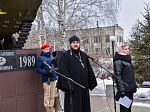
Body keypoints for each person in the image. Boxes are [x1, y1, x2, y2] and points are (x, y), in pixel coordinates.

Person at [57, 35, 97, 112]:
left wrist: (91, 82)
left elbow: (89, 69)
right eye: (73, 43)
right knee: (74, 107)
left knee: (85, 106)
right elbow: (63, 71)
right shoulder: (65, 55)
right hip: (73, 88)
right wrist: (69, 86)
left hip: (83, 85)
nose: (75, 44)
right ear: (70, 44)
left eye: (77, 42)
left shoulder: (83, 55)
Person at [114, 44, 138, 112]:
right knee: (124, 109)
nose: (128, 50)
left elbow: (131, 74)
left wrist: (134, 85)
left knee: (129, 107)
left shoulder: (128, 59)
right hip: (124, 89)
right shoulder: (118, 61)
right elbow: (118, 77)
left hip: (130, 87)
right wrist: (121, 90)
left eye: (128, 49)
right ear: (121, 50)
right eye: (125, 49)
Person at [36, 44, 57, 112]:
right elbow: (38, 69)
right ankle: (47, 110)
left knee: (52, 95)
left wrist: (56, 63)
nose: (48, 50)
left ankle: (51, 109)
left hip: (53, 79)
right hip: (46, 80)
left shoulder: (51, 57)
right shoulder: (41, 58)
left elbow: (56, 67)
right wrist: (46, 73)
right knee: (47, 96)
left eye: (48, 49)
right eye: (46, 49)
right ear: (43, 50)